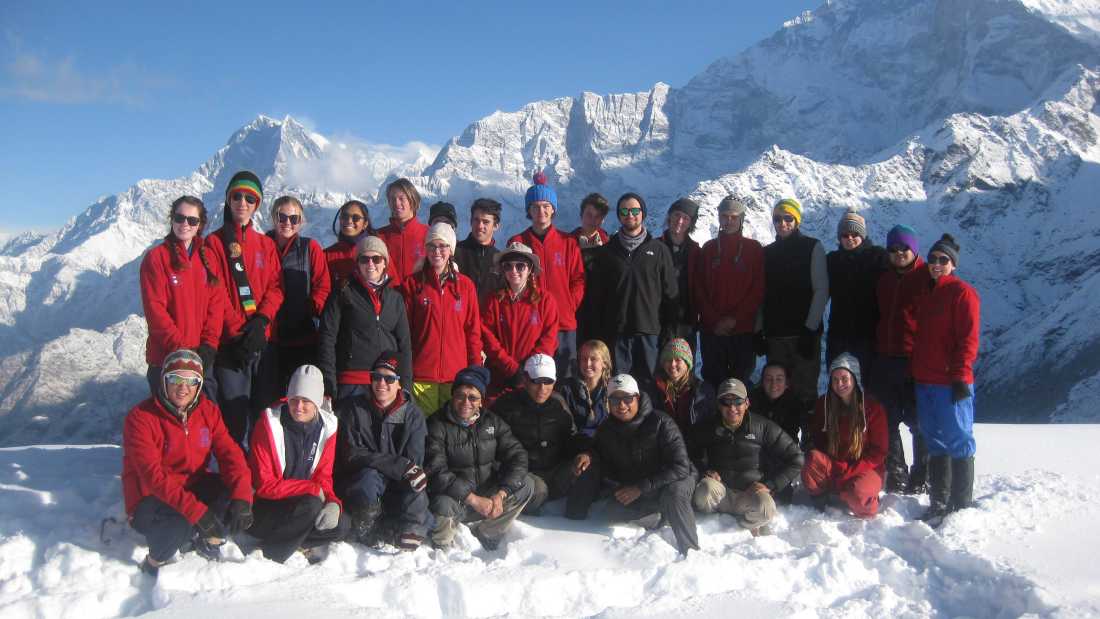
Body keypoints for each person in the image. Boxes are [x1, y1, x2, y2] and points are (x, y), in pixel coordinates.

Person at [122, 350, 253, 577]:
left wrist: (242, 497)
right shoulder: (141, 418)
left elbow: (230, 455)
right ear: (164, 381)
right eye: (176, 379)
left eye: (192, 381)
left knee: (232, 496)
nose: (183, 388)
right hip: (149, 497)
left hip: (192, 485)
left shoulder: (208, 412)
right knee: (180, 523)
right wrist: (198, 513)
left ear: (199, 385)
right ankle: (154, 562)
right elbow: (152, 477)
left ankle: (204, 539)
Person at [574, 374, 699, 556]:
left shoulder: (661, 422)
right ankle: (660, 514)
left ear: (637, 398)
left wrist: (640, 488)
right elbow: (597, 452)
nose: (622, 405)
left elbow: (680, 467)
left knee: (674, 494)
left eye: (627, 398)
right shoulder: (606, 429)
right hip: (643, 486)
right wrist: (587, 455)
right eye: (615, 399)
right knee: (612, 512)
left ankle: (691, 552)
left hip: (676, 478)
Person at [204, 171, 284, 444]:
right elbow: (215, 293)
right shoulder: (213, 244)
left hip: (263, 342)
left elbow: (276, 287)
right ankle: (235, 480)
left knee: (264, 419)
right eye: (237, 196)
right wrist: (238, 332)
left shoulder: (266, 245)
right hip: (231, 346)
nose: (243, 203)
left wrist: (262, 321)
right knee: (233, 419)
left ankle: (262, 480)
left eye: (250, 198)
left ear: (257, 204)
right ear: (227, 199)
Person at [246, 365, 349, 563]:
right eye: (294, 399)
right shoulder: (269, 424)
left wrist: (333, 502)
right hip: (264, 508)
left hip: (300, 505)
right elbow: (264, 485)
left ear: (317, 402)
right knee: (311, 505)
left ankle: (292, 541)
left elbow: (323, 476)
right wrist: (311, 489)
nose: (298, 406)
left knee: (342, 524)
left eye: (306, 401)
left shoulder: (326, 428)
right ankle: (270, 555)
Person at [911, 234, 980, 527]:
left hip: (950, 381)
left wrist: (961, 376)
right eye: (933, 259)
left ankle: (960, 503)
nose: (937, 265)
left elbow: (968, 339)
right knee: (933, 438)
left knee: (959, 438)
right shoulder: (927, 294)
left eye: (944, 260)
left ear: (953, 264)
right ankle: (939, 500)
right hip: (924, 378)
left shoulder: (963, 294)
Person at [425, 366, 532, 550]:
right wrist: (473, 499)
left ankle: (486, 533)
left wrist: (500, 494)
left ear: (481, 400)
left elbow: (517, 456)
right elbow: (436, 471)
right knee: (441, 504)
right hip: (456, 500)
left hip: (488, 498)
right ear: (452, 396)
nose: (466, 402)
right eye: (460, 395)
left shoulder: (492, 422)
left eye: (473, 397)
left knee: (526, 484)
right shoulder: (437, 424)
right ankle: (442, 546)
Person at [334, 351, 431, 551]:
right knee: (368, 478)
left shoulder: (413, 416)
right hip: (365, 486)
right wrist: (396, 465)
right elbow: (352, 454)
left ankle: (409, 533)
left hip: (398, 487)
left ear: (399, 383)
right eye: (376, 377)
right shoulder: (354, 409)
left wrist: (402, 468)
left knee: (417, 483)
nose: (381, 383)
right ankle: (368, 526)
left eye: (389, 378)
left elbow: (413, 462)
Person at [690, 378, 803, 536]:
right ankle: (714, 523)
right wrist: (704, 471)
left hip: (750, 494)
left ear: (747, 403)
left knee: (766, 509)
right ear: (718, 404)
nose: (732, 408)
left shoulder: (763, 427)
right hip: (721, 492)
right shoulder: (707, 427)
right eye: (725, 402)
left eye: (738, 401)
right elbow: (687, 455)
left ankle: (737, 529)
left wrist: (771, 484)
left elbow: (796, 458)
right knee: (703, 491)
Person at [494, 354, 600, 518]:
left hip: (555, 471)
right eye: (536, 381)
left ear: (555, 381)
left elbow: (571, 439)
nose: (542, 388)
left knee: (587, 466)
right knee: (535, 489)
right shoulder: (506, 405)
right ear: (526, 379)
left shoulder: (558, 403)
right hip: (524, 476)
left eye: (548, 381)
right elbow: (493, 447)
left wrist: (586, 453)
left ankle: (577, 521)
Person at [587, 192, 677, 385]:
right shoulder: (607, 252)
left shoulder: (659, 250)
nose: (630, 214)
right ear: (619, 215)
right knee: (618, 387)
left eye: (635, 210)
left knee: (650, 387)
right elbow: (596, 297)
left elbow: (670, 294)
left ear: (642, 213)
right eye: (625, 210)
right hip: (616, 334)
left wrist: (668, 332)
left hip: (649, 333)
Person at [139, 195, 224, 397]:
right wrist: (183, 351)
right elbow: (155, 311)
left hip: (202, 359)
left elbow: (216, 304)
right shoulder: (156, 258)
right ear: (172, 219)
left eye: (192, 220)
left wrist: (209, 345)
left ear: (200, 225)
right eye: (180, 218)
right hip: (166, 361)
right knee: (170, 425)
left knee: (204, 421)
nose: (185, 224)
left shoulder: (209, 258)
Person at [507, 172, 585, 378]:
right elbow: (509, 281)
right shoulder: (518, 241)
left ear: (553, 209)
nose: (541, 211)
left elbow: (578, 279)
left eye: (545, 206)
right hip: (531, 323)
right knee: (534, 378)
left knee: (566, 378)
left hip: (563, 323)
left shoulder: (568, 242)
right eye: (535, 207)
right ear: (529, 210)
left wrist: (569, 303)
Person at [872, 225, 931, 494]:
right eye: (893, 250)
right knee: (888, 419)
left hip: (915, 359)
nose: (898, 254)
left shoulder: (927, 277)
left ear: (914, 249)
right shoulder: (884, 279)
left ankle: (923, 474)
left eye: (903, 249)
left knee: (919, 421)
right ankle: (896, 472)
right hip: (886, 358)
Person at [317, 235, 413, 400]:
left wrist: (405, 385)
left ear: (385, 263)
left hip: (386, 382)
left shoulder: (395, 299)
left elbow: (404, 345)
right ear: (358, 263)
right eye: (364, 259)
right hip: (352, 382)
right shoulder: (343, 293)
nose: (370, 264)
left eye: (376, 259)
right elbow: (327, 337)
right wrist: (328, 381)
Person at [402, 223, 483, 414]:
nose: (436, 251)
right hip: (422, 375)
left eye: (442, 246)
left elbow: (473, 333)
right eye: (431, 245)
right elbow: (404, 333)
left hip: (456, 376)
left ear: (451, 250)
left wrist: (475, 371)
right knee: (426, 429)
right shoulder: (412, 284)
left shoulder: (465, 286)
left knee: (453, 427)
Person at [759, 197, 828, 415]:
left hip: (803, 336)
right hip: (775, 337)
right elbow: (762, 295)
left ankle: (808, 444)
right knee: (776, 394)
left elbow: (821, 290)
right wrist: (757, 330)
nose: (782, 223)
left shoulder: (812, 247)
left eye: (788, 218)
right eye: (777, 219)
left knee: (805, 394)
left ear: (797, 220)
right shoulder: (767, 253)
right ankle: (780, 444)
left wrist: (810, 328)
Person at [802, 354, 888, 518]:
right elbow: (818, 441)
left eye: (844, 378)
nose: (839, 384)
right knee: (812, 460)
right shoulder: (824, 404)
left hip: (865, 468)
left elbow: (879, 453)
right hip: (836, 464)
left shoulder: (872, 408)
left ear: (854, 378)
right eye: (835, 379)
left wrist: (849, 472)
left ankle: (855, 494)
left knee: (861, 498)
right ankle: (829, 496)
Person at [693, 195, 765, 389]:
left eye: (734, 216)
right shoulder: (708, 249)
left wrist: (734, 319)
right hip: (712, 331)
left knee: (740, 385)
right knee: (713, 383)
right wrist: (715, 320)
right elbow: (699, 289)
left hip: (742, 331)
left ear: (741, 218)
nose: (729, 220)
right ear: (718, 217)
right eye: (724, 215)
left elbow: (757, 290)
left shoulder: (754, 249)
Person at [267, 196, 331, 391]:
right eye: (282, 217)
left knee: (300, 395)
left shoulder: (309, 248)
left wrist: (310, 310)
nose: (287, 223)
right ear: (273, 217)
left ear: (301, 222)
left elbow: (323, 286)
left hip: (302, 337)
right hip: (268, 336)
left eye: (294, 219)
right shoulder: (261, 245)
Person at [480, 242, 559, 393]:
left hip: (534, 379)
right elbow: (487, 337)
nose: (513, 270)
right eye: (507, 266)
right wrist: (511, 368)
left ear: (530, 269)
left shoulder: (545, 300)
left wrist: (528, 368)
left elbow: (549, 339)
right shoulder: (493, 300)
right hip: (500, 377)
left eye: (520, 266)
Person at [825, 208, 889, 370]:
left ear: (863, 235)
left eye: (855, 234)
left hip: (869, 335)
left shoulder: (878, 257)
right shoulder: (832, 260)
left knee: (868, 386)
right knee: (838, 382)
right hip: (839, 335)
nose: (850, 238)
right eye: (845, 235)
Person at [645, 338, 715, 437]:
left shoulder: (703, 391)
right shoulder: (654, 389)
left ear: (687, 364)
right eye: (668, 360)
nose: (673, 364)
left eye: (678, 360)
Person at [658, 198, 702, 346]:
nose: (680, 221)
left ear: (691, 223)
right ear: (669, 216)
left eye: (686, 218)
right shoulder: (654, 247)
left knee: (683, 367)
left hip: (686, 323)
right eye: (677, 215)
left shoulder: (696, 251)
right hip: (658, 322)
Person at [572, 193, 610, 347]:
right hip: (576, 313)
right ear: (581, 215)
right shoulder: (568, 244)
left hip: (602, 314)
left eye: (598, 216)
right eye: (589, 214)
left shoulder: (610, 245)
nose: (592, 220)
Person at [556, 339, 613, 440]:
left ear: (604, 363)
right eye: (584, 359)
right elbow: (565, 426)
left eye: (593, 359)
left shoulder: (613, 389)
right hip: (576, 444)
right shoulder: (567, 388)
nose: (587, 364)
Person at [377, 178, 428, 285]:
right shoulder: (379, 237)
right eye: (392, 199)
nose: (396, 203)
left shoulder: (428, 234)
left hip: (419, 297)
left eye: (401, 198)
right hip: (388, 298)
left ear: (412, 200)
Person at [454, 198, 503, 308]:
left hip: (488, 323)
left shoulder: (500, 260)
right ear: (471, 222)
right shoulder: (456, 252)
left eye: (486, 222)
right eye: (476, 220)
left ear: (496, 226)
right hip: (460, 320)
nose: (480, 226)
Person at [748, 362, 804, 446]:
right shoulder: (750, 401)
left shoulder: (795, 405)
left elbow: (794, 440)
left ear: (786, 383)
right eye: (768, 379)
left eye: (779, 379)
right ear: (762, 382)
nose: (773, 384)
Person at [324, 199, 372, 289]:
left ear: (365, 224)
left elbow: (390, 285)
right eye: (344, 217)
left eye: (356, 218)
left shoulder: (377, 250)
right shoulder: (327, 255)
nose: (349, 221)